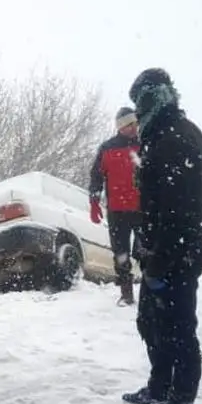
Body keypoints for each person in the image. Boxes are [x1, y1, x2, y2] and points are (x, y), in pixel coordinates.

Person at [120, 68, 202, 404]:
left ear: (157, 96)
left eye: (140, 100)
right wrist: (144, 245)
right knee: (150, 323)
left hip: (177, 255)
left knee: (179, 330)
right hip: (156, 251)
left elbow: (179, 209)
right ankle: (159, 387)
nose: (137, 112)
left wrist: (161, 257)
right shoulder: (159, 135)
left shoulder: (180, 137)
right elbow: (154, 204)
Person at [88, 106, 144, 306]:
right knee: (120, 252)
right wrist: (94, 200)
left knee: (145, 250)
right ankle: (126, 293)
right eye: (129, 125)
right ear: (120, 127)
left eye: (135, 124)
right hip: (117, 210)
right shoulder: (107, 148)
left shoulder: (145, 144)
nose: (133, 128)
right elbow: (96, 175)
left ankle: (151, 290)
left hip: (143, 209)